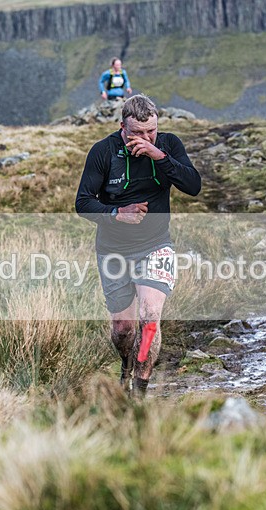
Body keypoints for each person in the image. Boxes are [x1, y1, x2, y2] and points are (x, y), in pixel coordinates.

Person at [76, 94, 201, 396]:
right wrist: (117, 214)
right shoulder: (103, 152)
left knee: (149, 320)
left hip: (156, 245)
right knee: (123, 330)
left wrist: (158, 155)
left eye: (151, 132)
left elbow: (193, 186)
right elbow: (82, 203)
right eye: (138, 134)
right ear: (123, 128)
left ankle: (139, 393)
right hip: (113, 250)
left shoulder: (168, 145)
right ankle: (125, 365)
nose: (145, 139)